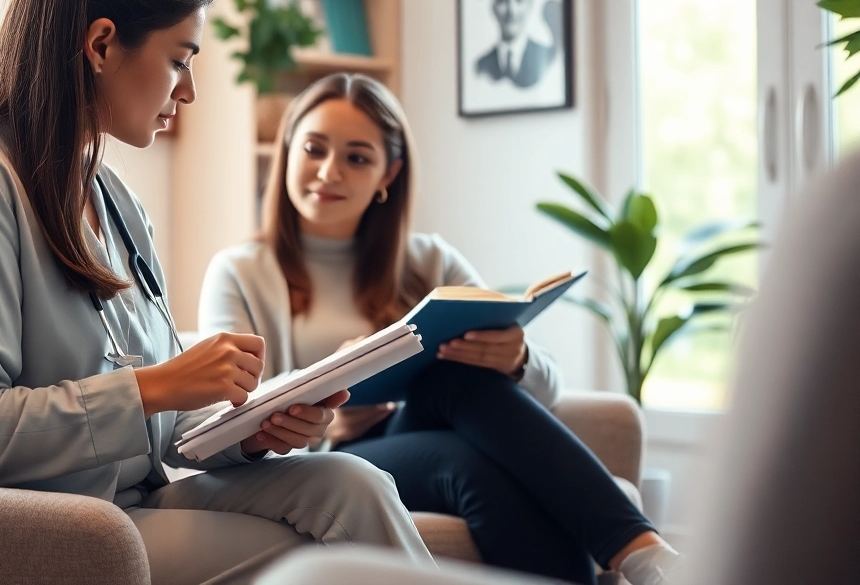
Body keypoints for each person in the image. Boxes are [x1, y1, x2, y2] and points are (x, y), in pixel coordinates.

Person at [0, 0, 434, 585]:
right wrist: (155, 386)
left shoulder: (113, 200)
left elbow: (162, 438)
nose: (188, 91)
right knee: (321, 562)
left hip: (123, 507)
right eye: (179, 60)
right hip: (16, 530)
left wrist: (252, 435)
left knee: (353, 483)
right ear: (102, 44)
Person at [198, 72, 682, 585]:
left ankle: (643, 555)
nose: (329, 172)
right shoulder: (239, 270)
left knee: (456, 382)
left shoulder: (430, 260)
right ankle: (645, 555)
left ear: (390, 173)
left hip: (435, 428)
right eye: (314, 149)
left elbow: (547, 389)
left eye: (357, 157)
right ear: (288, 151)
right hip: (327, 457)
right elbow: (224, 414)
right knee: (468, 461)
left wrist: (517, 360)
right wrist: (321, 404)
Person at [474, 0, 556, 88]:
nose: (512, 11)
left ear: (530, 4)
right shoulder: (481, 66)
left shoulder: (548, 58)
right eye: (503, 0)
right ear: (493, 7)